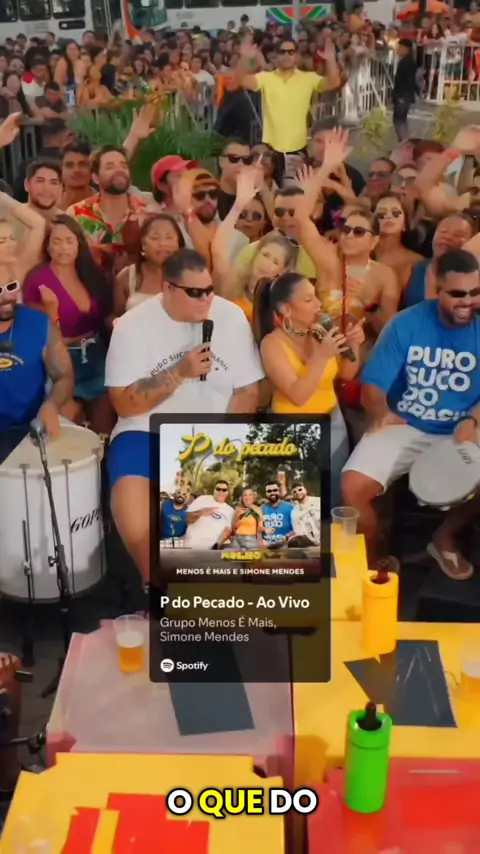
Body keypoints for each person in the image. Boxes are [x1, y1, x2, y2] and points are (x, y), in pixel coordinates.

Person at [105, 248, 265, 581]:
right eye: (195, 292)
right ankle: (157, 586)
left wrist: (228, 444)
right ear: (168, 288)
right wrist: (179, 372)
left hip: (213, 434)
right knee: (132, 504)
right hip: (146, 430)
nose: (206, 299)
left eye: (209, 290)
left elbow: (248, 391)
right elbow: (124, 404)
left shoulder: (232, 317)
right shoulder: (132, 326)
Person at [342, 249, 480, 579]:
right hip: (404, 422)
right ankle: (374, 561)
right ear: (437, 289)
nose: (468, 301)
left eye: (475, 292)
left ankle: (444, 537)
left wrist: (473, 419)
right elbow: (373, 387)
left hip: (462, 427)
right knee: (352, 487)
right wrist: (380, 412)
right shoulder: (406, 324)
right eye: (457, 294)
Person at [253, 272, 364, 504]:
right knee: (304, 495)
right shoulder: (272, 344)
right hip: (294, 430)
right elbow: (298, 395)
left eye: (315, 297)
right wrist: (321, 356)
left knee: (335, 492)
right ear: (287, 310)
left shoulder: (320, 332)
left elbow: (345, 373)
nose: (318, 304)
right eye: (308, 299)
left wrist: (354, 345)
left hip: (333, 422)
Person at [23, 214, 114, 435]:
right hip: (62, 361)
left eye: (69, 241)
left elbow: (105, 314)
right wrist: (52, 312)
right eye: (57, 241)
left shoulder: (91, 273)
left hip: (96, 356)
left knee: (104, 431)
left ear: (78, 244)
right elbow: (34, 330)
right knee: (68, 433)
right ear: (48, 246)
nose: (63, 247)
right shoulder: (37, 279)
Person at [0, 263, 74, 449]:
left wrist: (51, 406)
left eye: (11, 286)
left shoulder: (40, 324)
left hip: (27, 430)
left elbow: (64, 376)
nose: (6, 297)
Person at [237, 36, 340, 158]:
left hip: (299, 147)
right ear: (276, 55)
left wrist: (331, 60)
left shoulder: (308, 78)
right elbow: (241, 80)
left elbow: (334, 82)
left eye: (291, 52)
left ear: (297, 56)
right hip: (271, 148)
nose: (286, 55)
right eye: (282, 52)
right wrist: (244, 58)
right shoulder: (265, 78)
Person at [67, 145, 146, 274]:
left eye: (123, 166)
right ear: (95, 178)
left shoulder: (146, 211)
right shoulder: (76, 214)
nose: (119, 170)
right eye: (110, 167)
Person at [114, 214, 185, 315]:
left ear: (178, 242)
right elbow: (115, 316)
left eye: (169, 237)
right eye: (155, 238)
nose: (163, 243)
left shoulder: (191, 275)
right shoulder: (126, 277)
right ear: (143, 243)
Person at [184, 480, 235, 549]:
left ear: (227, 493)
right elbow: (187, 520)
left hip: (211, 550)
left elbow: (227, 531)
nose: (221, 492)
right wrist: (201, 513)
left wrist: (217, 546)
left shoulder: (230, 510)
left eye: (224, 490)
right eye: (218, 489)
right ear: (214, 490)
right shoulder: (202, 499)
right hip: (192, 546)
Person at [392, 39, 418, 142]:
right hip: (404, 95)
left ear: (406, 49)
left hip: (403, 95)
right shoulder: (407, 61)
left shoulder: (407, 62)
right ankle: (406, 142)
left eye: (400, 47)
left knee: (399, 121)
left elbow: (407, 81)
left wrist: (401, 96)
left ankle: (405, 143)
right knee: (401, 120)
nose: (399, 49)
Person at [60, 141, 93, 210]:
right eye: (69, 165)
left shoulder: (105, 203)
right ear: (61, 170)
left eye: (82, 164)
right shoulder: (50, 206)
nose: (76, 170)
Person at [261, 482, 295, 546]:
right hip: (266, 546)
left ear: (279, 491)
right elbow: (257, 528)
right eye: (269, 491)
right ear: (266, 494)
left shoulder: (291, 508)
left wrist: (287, 537)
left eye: (275, 490)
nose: (272, 493)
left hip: (286, 545)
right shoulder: (261, 509)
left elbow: (297, 528)